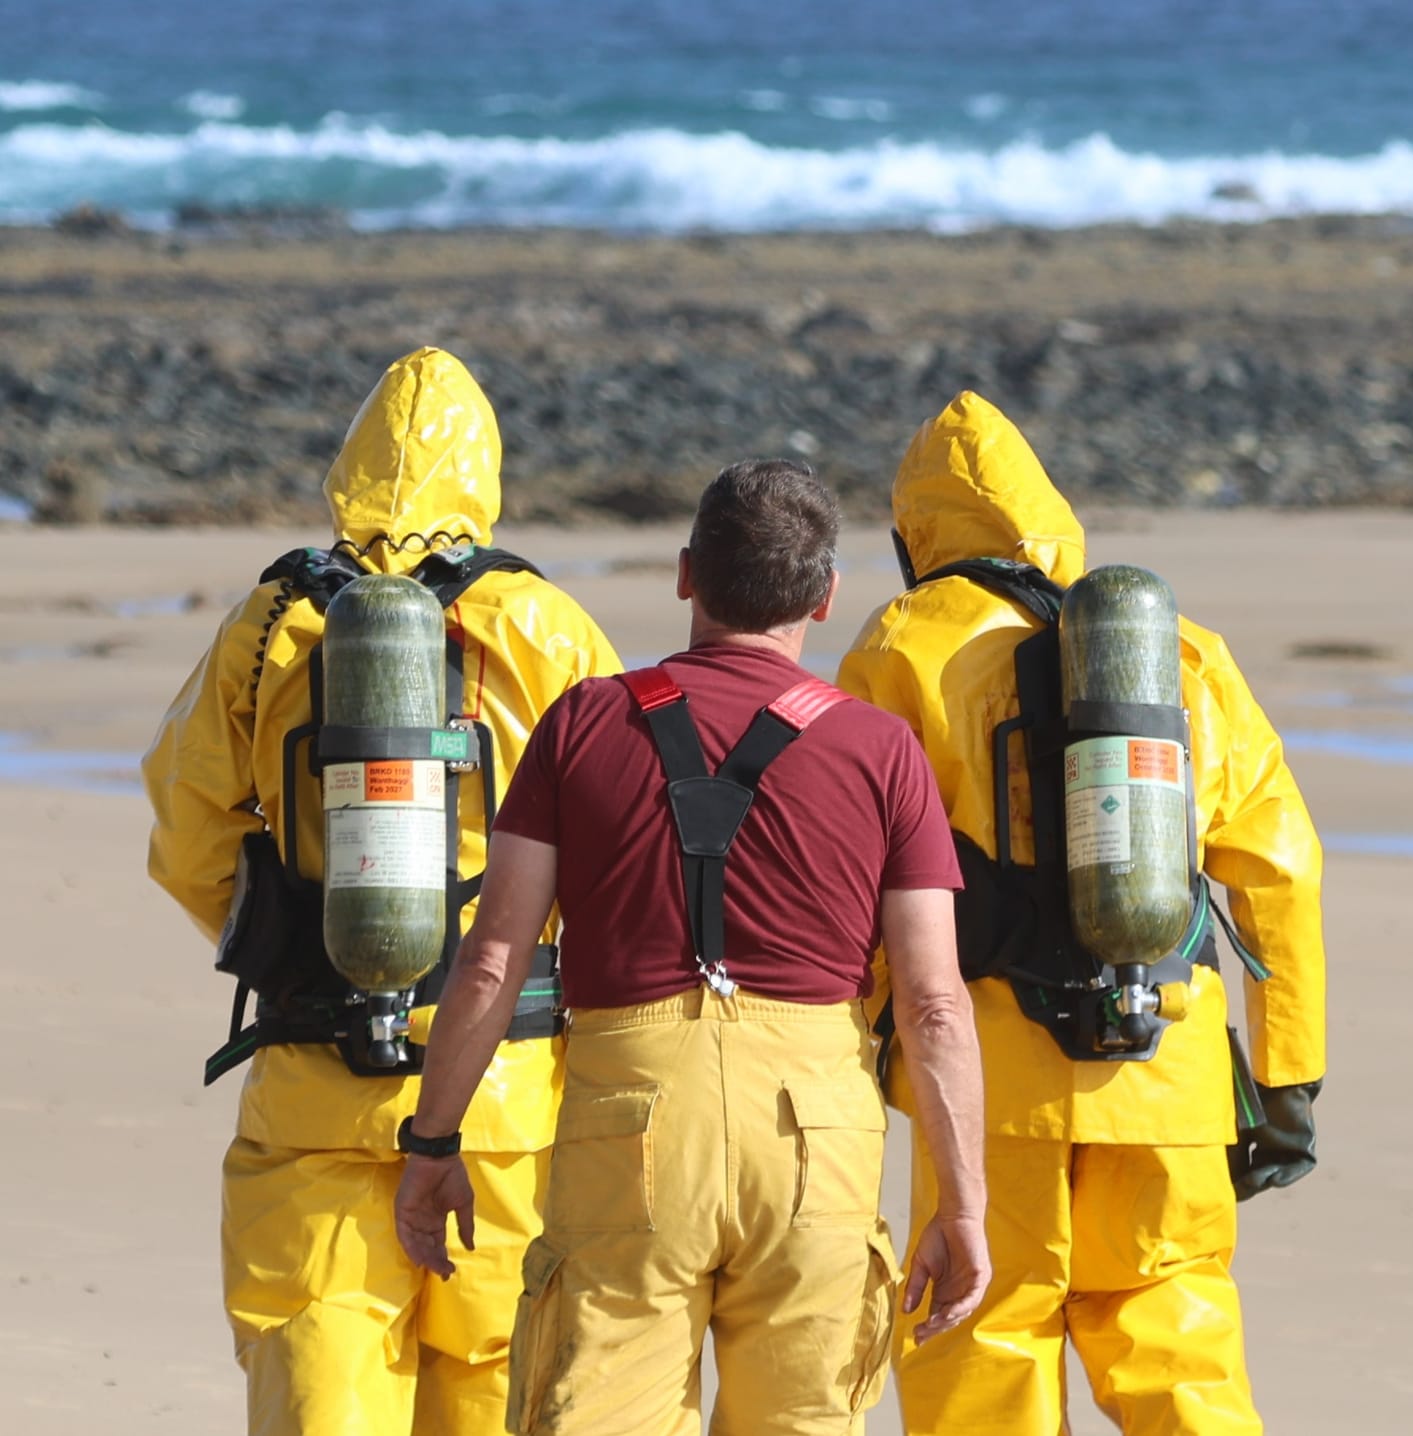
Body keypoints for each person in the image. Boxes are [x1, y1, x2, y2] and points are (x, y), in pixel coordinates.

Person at [394, 458, 990, 1435]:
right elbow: (932, 1004)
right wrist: (962, 1203)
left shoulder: (583, 720)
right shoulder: (883, 750)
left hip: (630, 1117)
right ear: (826, 594)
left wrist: (434, 1139)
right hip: (817, 1131)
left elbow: (493, 959)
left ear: (685, 574)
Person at [142, 346, 622, 1436]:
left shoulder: (273, 620)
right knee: (502, 1376)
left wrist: (290, 944)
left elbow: (186, 831)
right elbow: (617, 844)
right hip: (507, 1091)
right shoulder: (543, 625)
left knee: (320, 1369)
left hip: (315, 1080)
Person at [838, 392, 1326, 1436]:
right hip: (1168, 1069)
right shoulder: (1181, 650)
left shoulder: (900, 646)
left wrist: (854, 1054)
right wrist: (1286, 1076)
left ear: (911, 535)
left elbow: (851, 871)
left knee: (982, 1344)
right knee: (1175, 1346)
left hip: (984, 1080)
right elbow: (1279, 866)